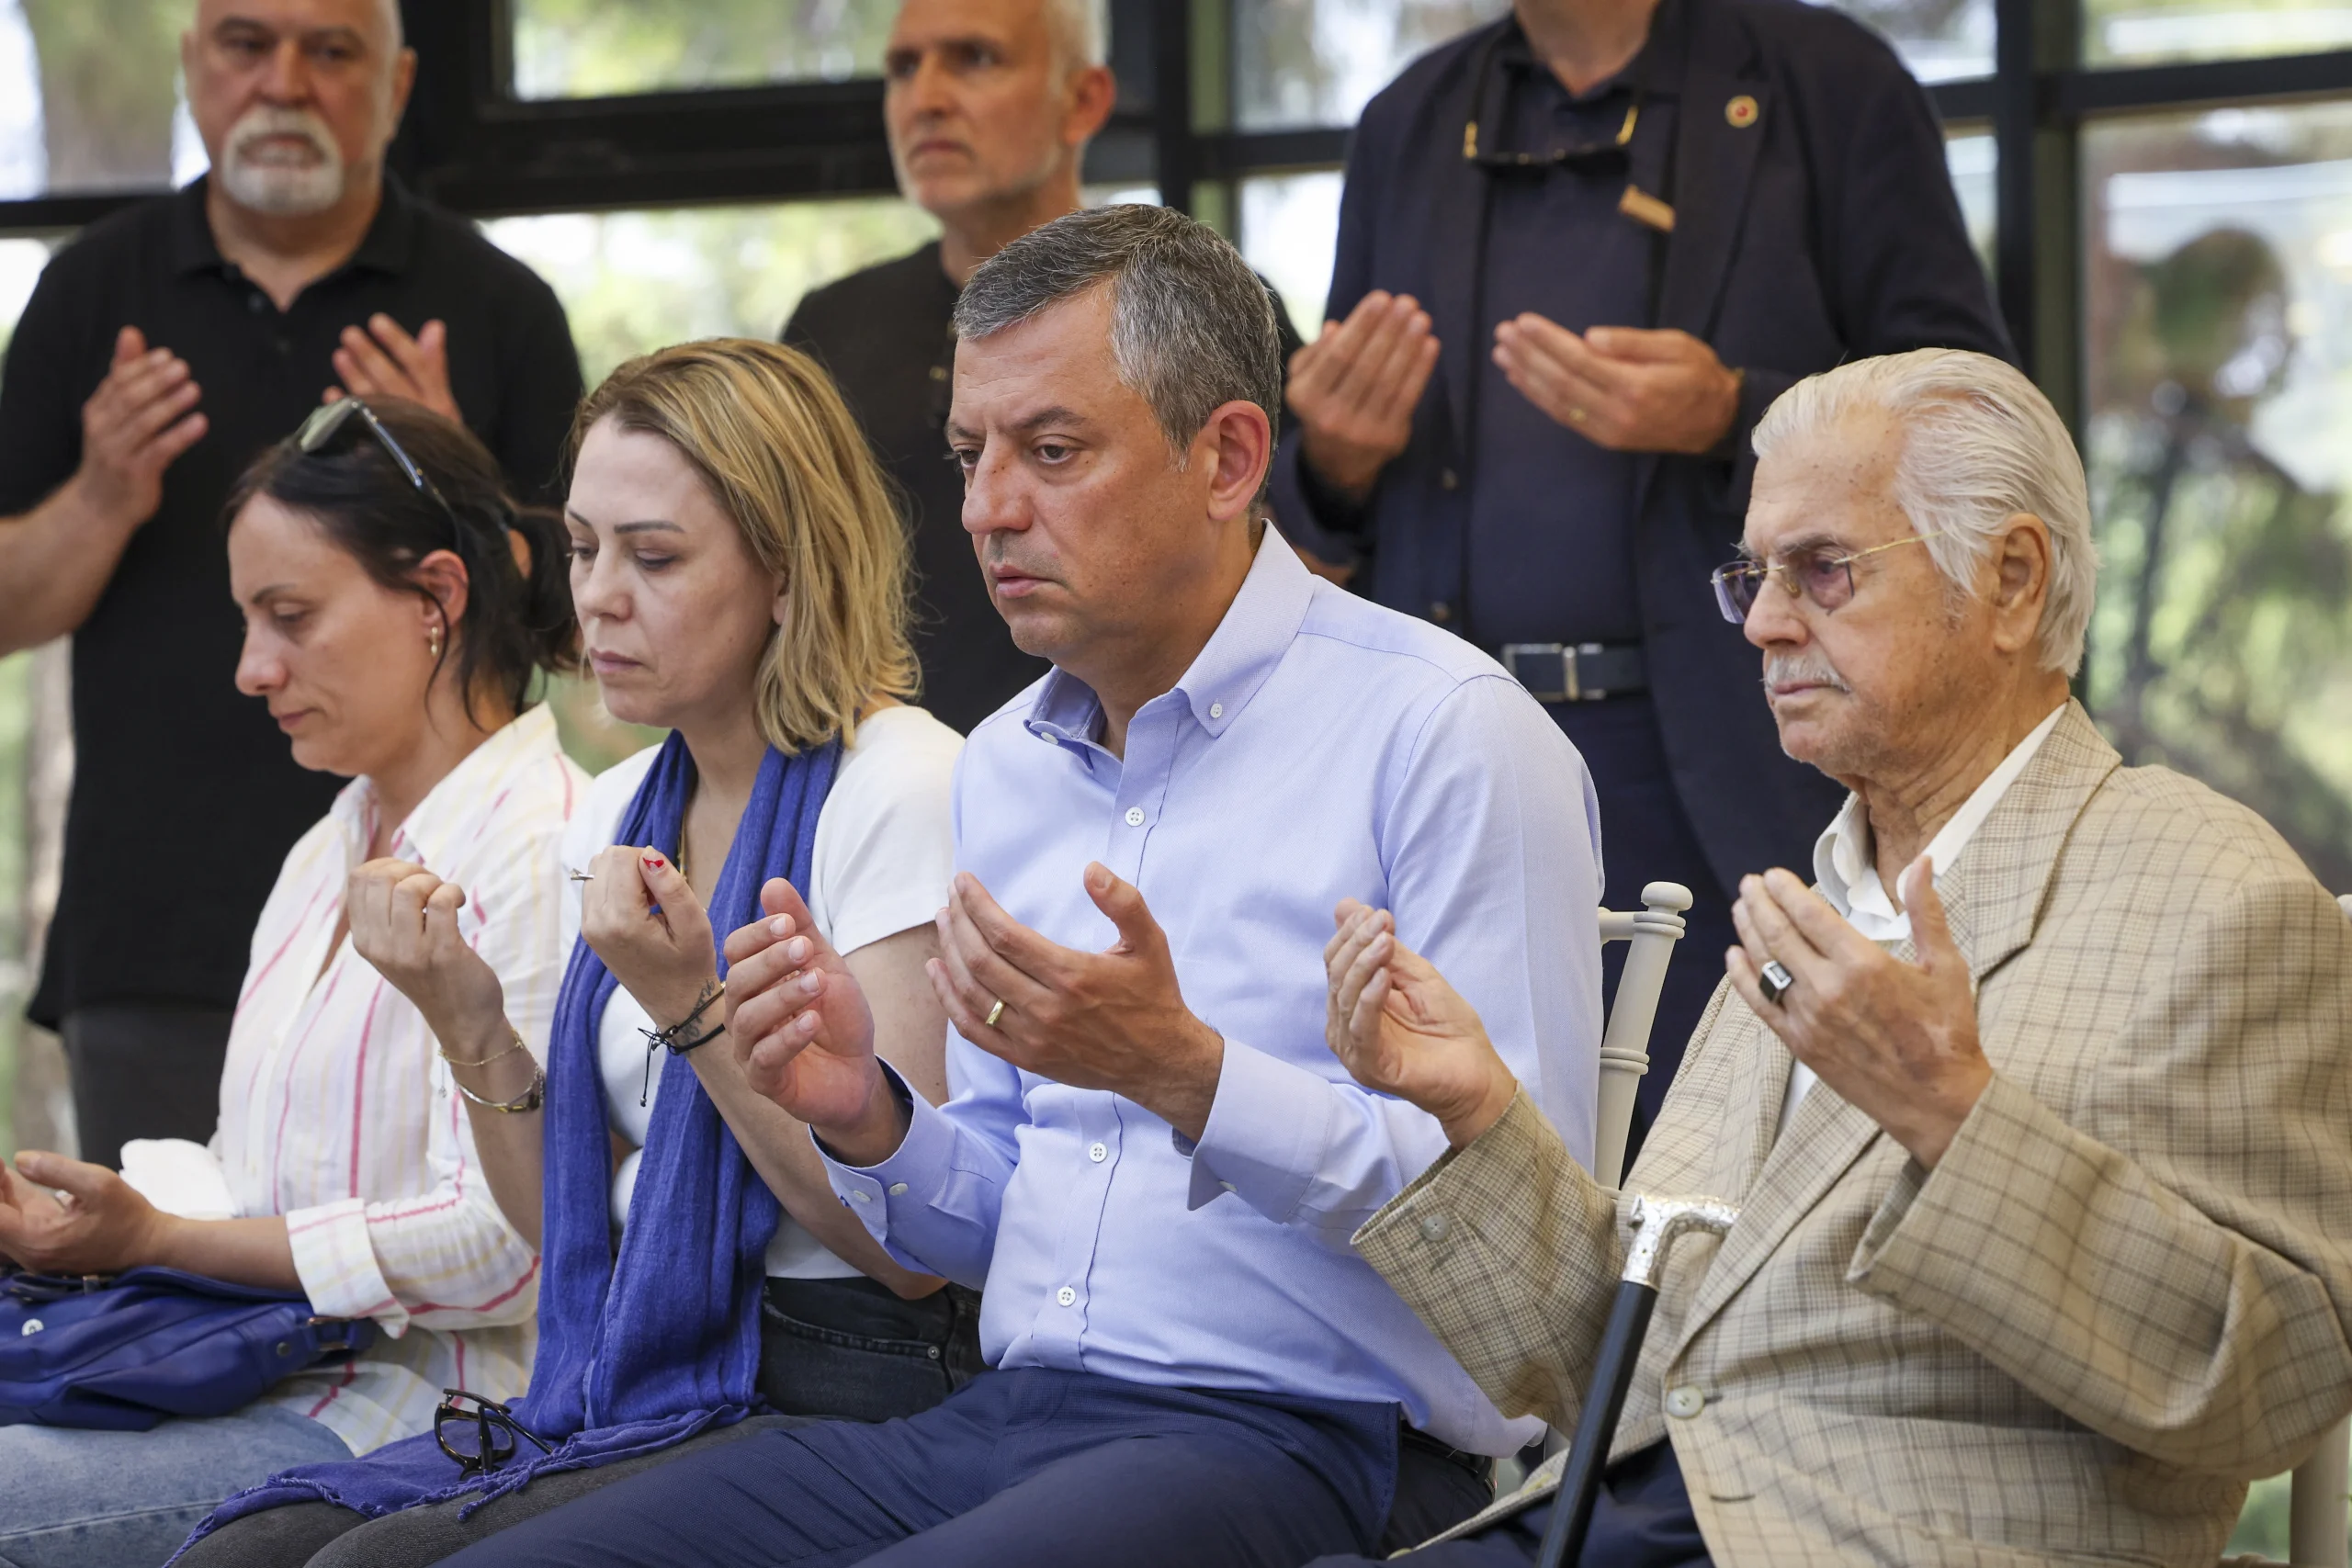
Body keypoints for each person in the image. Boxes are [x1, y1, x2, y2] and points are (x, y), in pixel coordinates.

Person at [421, 205, 1603, 1568]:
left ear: (1227, 457)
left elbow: (1531, 1246)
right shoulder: (1006, 764)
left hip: (1315, 1433)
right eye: (972, 455)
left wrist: (1190, 1073)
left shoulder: (1443, 728)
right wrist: (863, 1112)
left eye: (1052, 451)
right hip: (1006, 1410)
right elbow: (990, 1220)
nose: (987, 507)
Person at [1304, 349, 2352, 1568]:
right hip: (1624, 1523)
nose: (1761, 620)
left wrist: (1953, 1117)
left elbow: (2279, 1379)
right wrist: (1477, 1112)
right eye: (1752, 573)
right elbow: (1650, 1368)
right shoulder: (1816, 897)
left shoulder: (2215, 893)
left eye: (1822, 570)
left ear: (2012, 579)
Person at [173, 339, 972, 1568]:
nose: (596, 596)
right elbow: (560, 1221)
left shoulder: (901, 784)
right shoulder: (622, 806)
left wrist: (691, 1007)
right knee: (245, 1546)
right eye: (587, 548)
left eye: (653, 557)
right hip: (640, 1351)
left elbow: (907, 1255)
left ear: (786, 570)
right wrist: (466, 1018)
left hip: (856, 1369)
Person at [1272, 0, 2015, 1146]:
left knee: (1748, 1174)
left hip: (1752, 759)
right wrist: (1330, 459)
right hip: (1468, 764)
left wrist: (1734, 411)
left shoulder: (1830, 83)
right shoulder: (1409, 121)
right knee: (1485, 1158)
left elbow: (1973, 415)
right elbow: (1331, 505)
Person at [0, 399, 584, 1568]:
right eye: (247, 621)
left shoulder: (546, 846)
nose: (252, 670)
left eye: (290, 617)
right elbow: (259, 1178)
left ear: (436, 599)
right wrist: (94, 1224)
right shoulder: (327, 848)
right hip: (245, 1365)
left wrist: (163, 1237)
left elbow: (509, 1246)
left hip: (417, 1421)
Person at [0, 0, 583, 1168]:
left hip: (445, 906)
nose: (285, 82)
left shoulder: (495, 305)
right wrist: (105, 493)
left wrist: (453, 477)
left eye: (330, 52)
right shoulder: (90, 294)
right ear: (190, 65)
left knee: (427, 1269)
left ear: (400, 84)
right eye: (246, 43)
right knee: (169, 1301)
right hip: (153, 926)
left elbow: (579, 621)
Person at [784, 0, 1307, 733]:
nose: (927, 98)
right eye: (903, 67)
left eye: (975, 58)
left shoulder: (1205, 309)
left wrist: (1342, 469)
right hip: (883, 780)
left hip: (1174, 755)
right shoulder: (830, 329)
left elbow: (1293, 575)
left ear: (1085, 98)